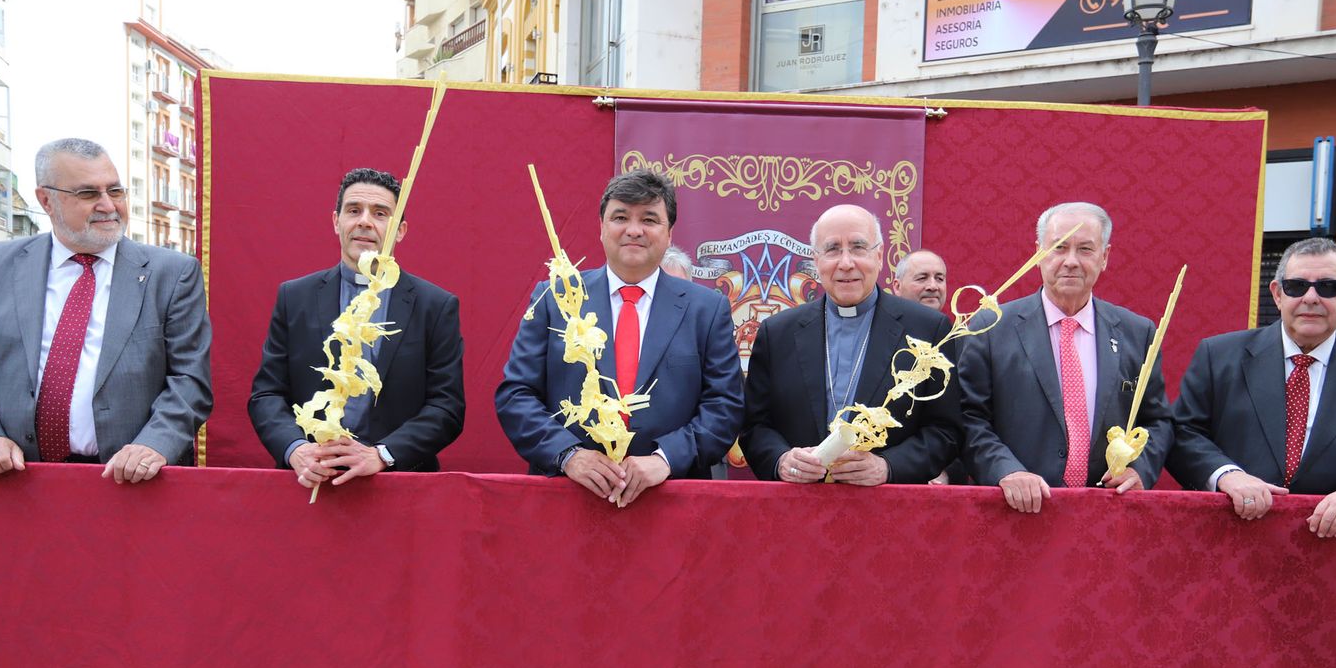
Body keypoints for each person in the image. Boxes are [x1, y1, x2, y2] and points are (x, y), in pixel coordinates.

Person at [0, 137, 212, 482]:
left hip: (133, 483)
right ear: (46, 200)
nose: (107, 205)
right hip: (18, 479)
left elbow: (190, 380)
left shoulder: (172, 273)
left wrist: (154, 443)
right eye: (87, 194)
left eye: (115, 191)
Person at [495, 169, 743, 506]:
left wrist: (664, 459)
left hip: (671, 500)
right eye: (620, 217)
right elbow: (516, 395)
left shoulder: (706, 309)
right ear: (601, 228)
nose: (634, 230)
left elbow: (724, 406)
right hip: (567, 498)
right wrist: (568, 454)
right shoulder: (556, 298)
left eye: (649, 219)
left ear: (670, 233)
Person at [1169, 237, 1336, 537]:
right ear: (1277, 294)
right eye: (1297, 286)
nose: (1311, 298)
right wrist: (1228, 475)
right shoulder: (1219, 356)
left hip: (1333, 549)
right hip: (1231, 540)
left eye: (1328, 287)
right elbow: (1182, 434)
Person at [249, 167, 465, 488]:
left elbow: (446, 406)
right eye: (354, 211)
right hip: (311, 481)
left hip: (400, 484)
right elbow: (267, 393)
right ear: (336, 221)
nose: (364, 221)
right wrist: (296, 450)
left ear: (400, 230)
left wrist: (382, 455)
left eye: (380, 213)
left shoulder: (435, 305)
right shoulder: (294, 297)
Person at [957, 202, 1172, 512]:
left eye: (1085, 249)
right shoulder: (990, 328)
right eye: (1059, 247)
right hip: (1014, 512)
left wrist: (1141, 469)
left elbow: (1157, 420)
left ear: (1104, 257)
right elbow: (967, 417)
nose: (1071, 261)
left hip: (1106, 512)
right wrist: (1006, 470)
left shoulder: (1137, 333)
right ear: (1038, 254)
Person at [741, 204, 959, 485]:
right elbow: (754, 427)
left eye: (858, 248)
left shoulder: (929, 329)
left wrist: (888, 467)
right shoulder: (778, 333)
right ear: (816, 260)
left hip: (888, 510)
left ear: (879, 256)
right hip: (798, 509)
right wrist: (782, 460)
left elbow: (946, 430)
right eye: (832, 249)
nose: (846, 263)